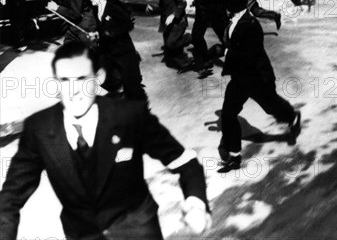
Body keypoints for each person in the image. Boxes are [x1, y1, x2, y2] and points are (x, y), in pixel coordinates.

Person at [0, 42, 211, 239]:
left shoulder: (129, 116)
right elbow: (10, 197)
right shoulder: (40, 129)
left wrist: (196, 203)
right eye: (64, 80)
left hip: (137, 231)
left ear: (98, 77)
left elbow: (186, 163)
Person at [217, 0, 301, 172]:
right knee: (228, 114)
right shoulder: (233, 20)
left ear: (233, 6)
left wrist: (225, 52)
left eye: (226, 4)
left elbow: (249, 55)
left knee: (270, 106)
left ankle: (292, 116)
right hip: (240, 78)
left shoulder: (251, 24)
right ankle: (234, 156)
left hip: (257, 77)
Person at [89, 0, 147, 101]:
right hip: (108, 52)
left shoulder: (113, 8)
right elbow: (101, 28)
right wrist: (96, 34)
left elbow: (128, 24)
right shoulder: (96, 10)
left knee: (131, 83)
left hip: (123, 51)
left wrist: (111, 32)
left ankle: (141, 107)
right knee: (105, 79)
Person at [146, 0, 193, 71]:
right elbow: (164, 6)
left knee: (171, 43)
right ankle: (184, 63)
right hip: (168, 22)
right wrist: (153, 8)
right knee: (170, 49)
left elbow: (182, 3)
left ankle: (189, 37)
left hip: (177, 22)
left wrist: (173, 15)